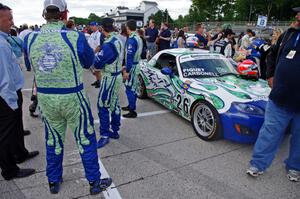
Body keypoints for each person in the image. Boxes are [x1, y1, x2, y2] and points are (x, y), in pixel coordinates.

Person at [23, 0, 112, 194]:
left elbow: (30, 67)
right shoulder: (74, 36)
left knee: (53, 139)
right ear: (64, 15)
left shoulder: (30, 38)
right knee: (85, 138)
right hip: (72, 97)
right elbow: (89, 61)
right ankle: (94, 182)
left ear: (44, 14)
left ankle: (53, 180)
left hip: (46, 98)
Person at [246, 7, 300, 182]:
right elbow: (272, 54)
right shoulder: (289, 34)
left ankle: (294, 167)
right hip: (279, 98)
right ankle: (258, 164)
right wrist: (270, 75)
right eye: (297, 13)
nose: (297, 16)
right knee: (269, 132)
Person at [0, 3, 36, 181]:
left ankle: (20, 153)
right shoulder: (0, 44)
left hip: (12, 91)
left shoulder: (4, 39)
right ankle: (9, 169)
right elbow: (4, 78)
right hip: (6, 96)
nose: (12, 23)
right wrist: (11, 101)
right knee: (5, 133)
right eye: (9, 19)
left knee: (15, 127)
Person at [93, 18, 123, 148]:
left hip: (109, 77)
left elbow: (98, 62)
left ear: (102, 28)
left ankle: (105, 134)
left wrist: (94, 56)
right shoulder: (118, 39)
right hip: (117, 75)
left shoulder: (109, 43)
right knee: (115, 103)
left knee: (102, 105)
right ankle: (115, 130)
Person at [122, 19, 143, 118]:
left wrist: (127, 70)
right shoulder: (138, 37)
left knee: (129, 88)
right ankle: (131, 105)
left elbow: (130, 56)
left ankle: (132, 110)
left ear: (127, 27)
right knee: (133, 87)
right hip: (137, 64)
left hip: (133, 66)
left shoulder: (131, 39)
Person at [88, 21, 102, 88]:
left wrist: (93, 53)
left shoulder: (99, 35)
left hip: (96, 54)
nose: (91, 27)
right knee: (94, 70)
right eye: (90, 25)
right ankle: (97, 80)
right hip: (92, 54)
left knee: (97, 70)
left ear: (96, 26)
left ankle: (99, 82)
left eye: (92, 26)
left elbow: (99, 46)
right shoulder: (92, 34)